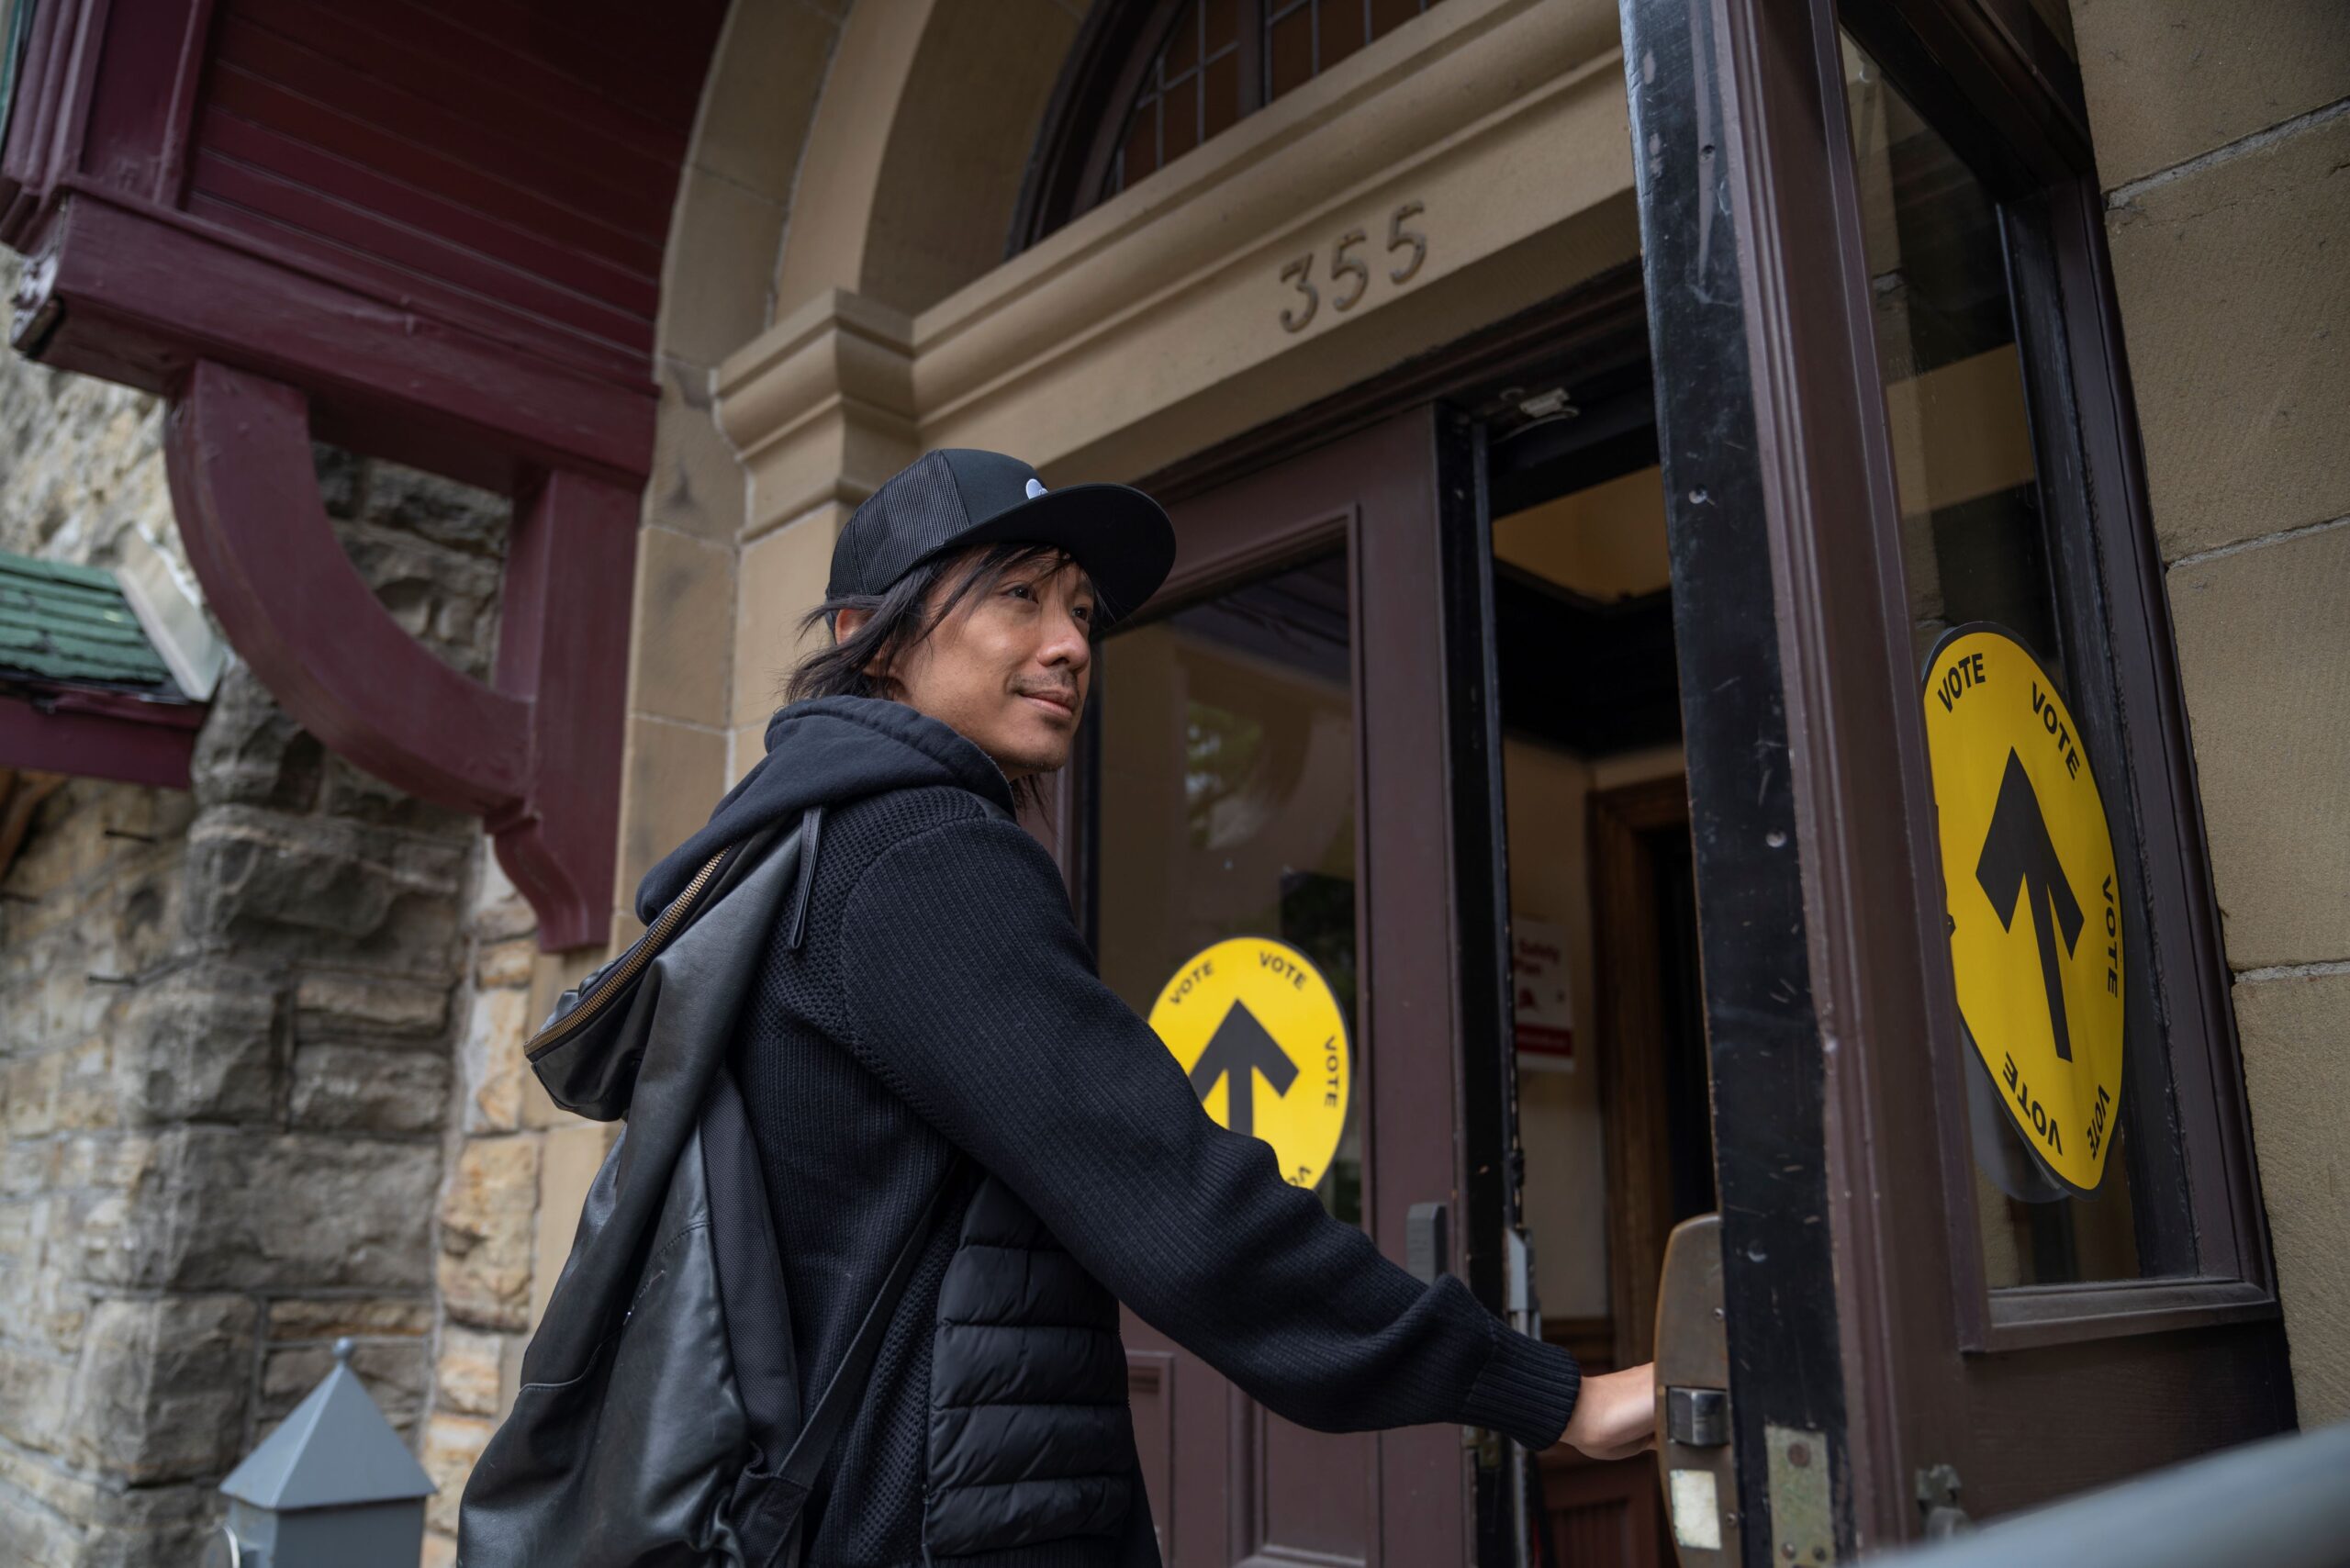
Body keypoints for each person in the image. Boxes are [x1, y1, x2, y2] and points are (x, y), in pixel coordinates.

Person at [632, 449, 1657, 1566]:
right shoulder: (918, 854)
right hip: (935, 1531)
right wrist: (1554, 1397)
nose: (1072, 643)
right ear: (862, 639)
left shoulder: (801, 852)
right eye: (1018, 594)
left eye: (1079, 609)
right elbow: (1175, 1197)